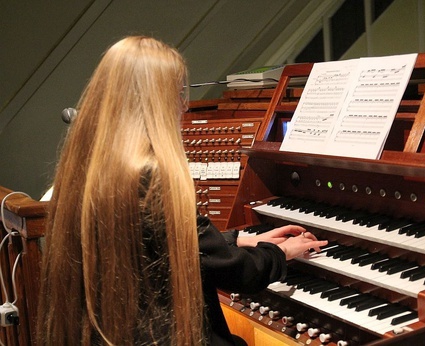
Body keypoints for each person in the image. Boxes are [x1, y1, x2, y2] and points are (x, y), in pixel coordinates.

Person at [36, 35, 326, 346]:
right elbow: (236, 273)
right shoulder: (150, 176)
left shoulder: (87, 164)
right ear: (154, 101)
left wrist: (238, 237)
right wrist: (280, 252)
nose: (184, 105)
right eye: (176, 93)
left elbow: (164, 243)